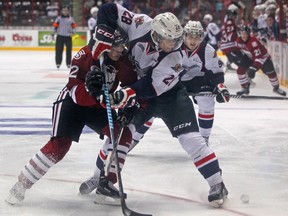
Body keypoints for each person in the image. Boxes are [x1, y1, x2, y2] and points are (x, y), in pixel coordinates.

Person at [80, 3, 229, 207]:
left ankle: (217, 184)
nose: (175, 44)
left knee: (192, 140)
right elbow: (109, 9)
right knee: (118, 136)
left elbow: (150, 87)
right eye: (170, 40)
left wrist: (125, 94)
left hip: (170, 96)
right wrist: (104, 32)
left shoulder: (177, 55)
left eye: (177, 39)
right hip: (139, 92)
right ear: (157, 35)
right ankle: (100, 179)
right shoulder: (140, 24)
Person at [5, 30, 137, 206]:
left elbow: (133, 85)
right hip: (73, 103)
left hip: (99, 105)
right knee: (59, 146)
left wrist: (129, 103)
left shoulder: (123, 60)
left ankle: (106, 184)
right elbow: (74, 91)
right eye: (116, 46)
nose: (120, 50)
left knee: (121, 134)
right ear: (104, 44)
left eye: (122, 46)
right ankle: (21, 185)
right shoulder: (85, 55)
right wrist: (91, 90)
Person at [124, 20, 229, 150]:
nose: (193, 40)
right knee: (152, 106)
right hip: (174, 82)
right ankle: (133, 139)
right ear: (184, 36)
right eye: (190, 36)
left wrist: (220, 87)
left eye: (197, 37)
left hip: (198, 82)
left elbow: (215, 73)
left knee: (207, 100)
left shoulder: (207, 50)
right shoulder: (172, 47)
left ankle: (204, 140)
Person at [235, 25, 286, 96]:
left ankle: (276, 88)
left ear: (248, 34)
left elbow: (259, 57)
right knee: (240, 70)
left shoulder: (253, 43)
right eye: (241, 33)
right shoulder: (238, 41)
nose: (243, 35)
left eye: (245, 33)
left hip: (264, 58)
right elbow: (238, 50)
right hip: (250, 57)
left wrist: (254, 68)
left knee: (271, 73)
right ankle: (245, 88)